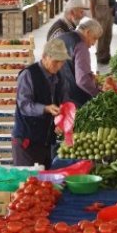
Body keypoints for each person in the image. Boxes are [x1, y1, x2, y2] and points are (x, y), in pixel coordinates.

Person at [13, 39, 72, 168]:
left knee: (44, 181)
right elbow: (24, 105)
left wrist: (61, 121)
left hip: (46, 141)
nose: (59, 65)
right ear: (44, 57)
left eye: (62, 62)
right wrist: (45, 108)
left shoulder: (59, 76)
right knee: (28, 180)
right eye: (55, 61)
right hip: (27, 141)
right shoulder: (28, 75)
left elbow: (63, 101)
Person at [57, 19, 103, 107]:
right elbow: (82, 80)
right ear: (88, 32)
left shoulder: (61, 37)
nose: (93, 43)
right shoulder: (81, 46)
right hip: (73, 98)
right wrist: (98, 94)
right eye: (94, 38)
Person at [88, 0, 116, 64]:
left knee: (108, 34)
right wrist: (93, 16)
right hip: (100, 11)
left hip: (108, 11)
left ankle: (107, 54)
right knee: (101, 35)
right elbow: (92, 0)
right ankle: (100, 56)